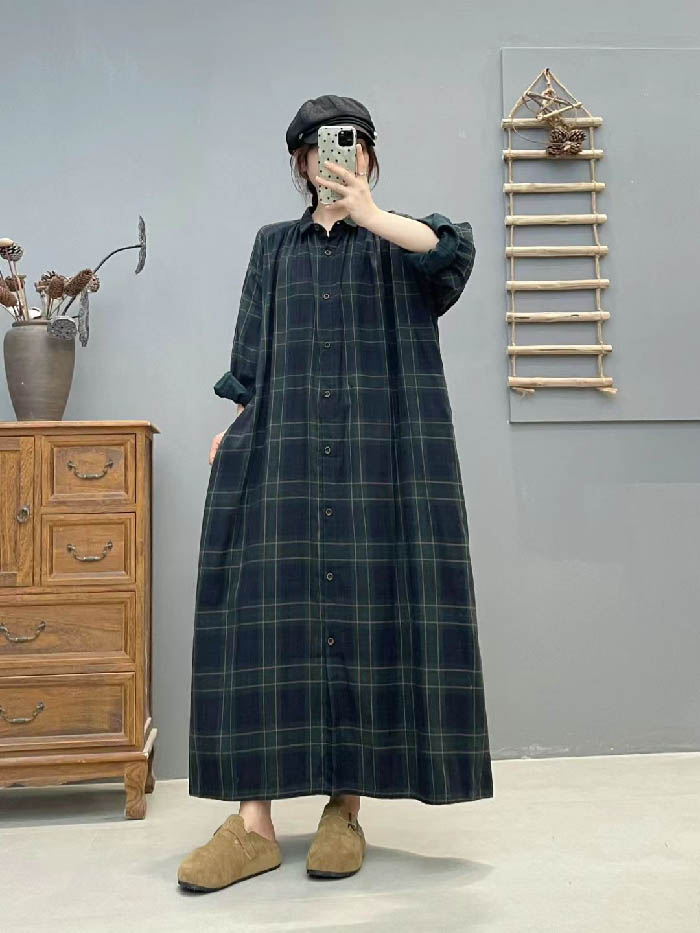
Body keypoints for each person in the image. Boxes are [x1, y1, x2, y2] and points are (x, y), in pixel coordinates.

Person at [178, 94, 493, 892]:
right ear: (300, 162)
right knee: (263, 626)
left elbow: (451, 254)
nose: (333, 158)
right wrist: (237, 423)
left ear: (369, 155)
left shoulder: (398, 242)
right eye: (317, 148)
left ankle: (343, 811)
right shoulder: (272, 247)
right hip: (283, 453)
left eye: (347, 144)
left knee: (363, 615)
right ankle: (252, 825)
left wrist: (372, 214)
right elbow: (250, 353)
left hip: (377, 460)